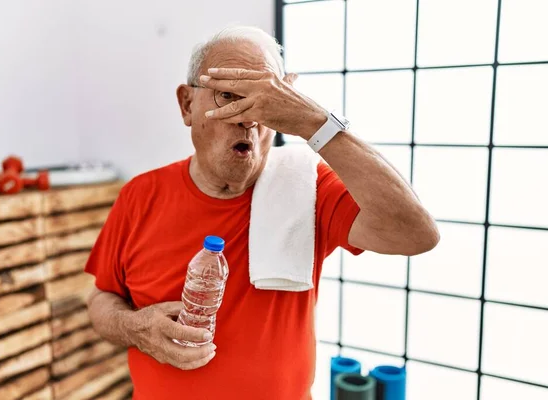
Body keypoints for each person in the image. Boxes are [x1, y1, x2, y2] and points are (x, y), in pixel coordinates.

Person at [85, 26, 439, 400]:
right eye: (229, 97)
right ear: (188, 105)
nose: (248, 118)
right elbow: (101, 299)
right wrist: (134, 326)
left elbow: (416, 233)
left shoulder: (308, 188)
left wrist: (315, 123)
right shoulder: (140, 195)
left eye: (265, 102)